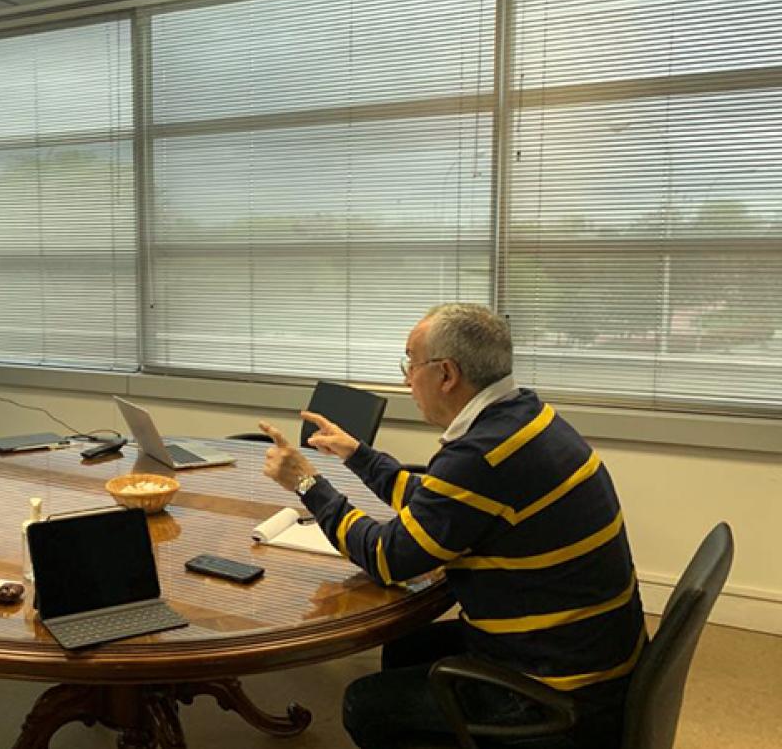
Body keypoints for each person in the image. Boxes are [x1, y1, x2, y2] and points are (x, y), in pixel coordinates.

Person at [258, 304, 643, 749]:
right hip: (589, 652)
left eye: (411, 363)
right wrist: (359, 455)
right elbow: (442, 501)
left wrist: (306, 483)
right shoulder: (525, 418)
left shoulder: (480, 456)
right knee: (407, 646)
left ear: (446, 374)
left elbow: (386, 557)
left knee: (364, 704)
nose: (407, 379)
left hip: (562, 692)